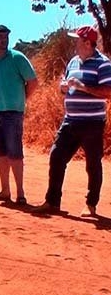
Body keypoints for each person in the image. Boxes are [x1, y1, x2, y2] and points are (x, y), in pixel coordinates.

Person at [32, 26, 111, 217]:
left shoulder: (103, 64)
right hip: (70, 120)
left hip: (92, 123)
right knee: (56, 156)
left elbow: (108, 92)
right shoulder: (73, 62)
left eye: (77, 39)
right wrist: (63, 87)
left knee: (93, 164)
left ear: (86, 42)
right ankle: (52, 202)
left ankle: (90, 205)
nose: (74, 43)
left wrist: (83, 87)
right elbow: (65, 84)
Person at [0, 25, 38, 205]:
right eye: (0, 36)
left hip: (13, 113)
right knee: (0, 153)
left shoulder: (17, 58)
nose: (4, 39)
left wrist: (22, 97)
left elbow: (32, 81)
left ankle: (20, 193)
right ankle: (5, 190)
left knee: (15, 152)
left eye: (6, 36)